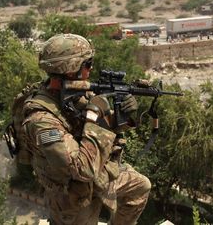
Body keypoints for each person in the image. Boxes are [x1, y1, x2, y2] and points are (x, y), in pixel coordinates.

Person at [21, 33, 151, 225]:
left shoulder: (76, 93)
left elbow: (104, 127)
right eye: (87, 64)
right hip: (72, 195)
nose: (90, 69)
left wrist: (123, 116)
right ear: (71, 68)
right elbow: (82, 170)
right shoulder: (41, 120)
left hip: (99, 173)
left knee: (140, 187)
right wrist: (93, 113)